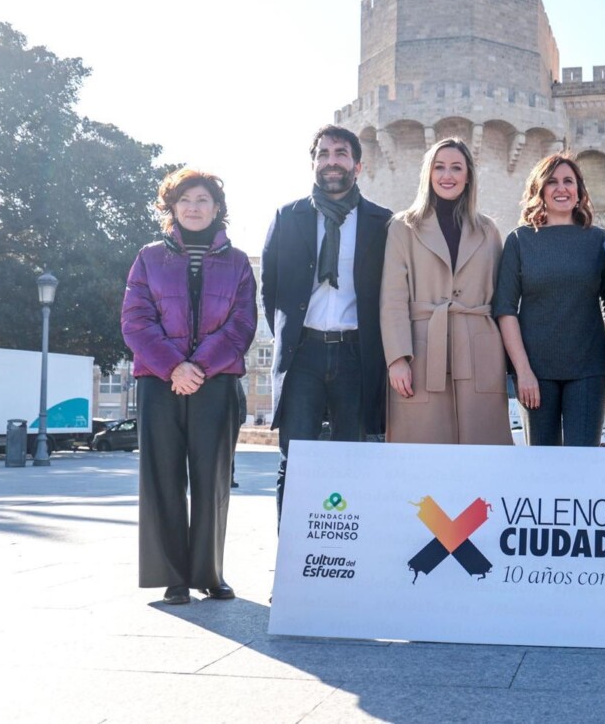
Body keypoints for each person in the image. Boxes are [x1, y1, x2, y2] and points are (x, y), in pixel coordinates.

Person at [121, 168, 256, 604]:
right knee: (162, 477)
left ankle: (209, 573)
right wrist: (174, 367)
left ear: (218, 208)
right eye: (185, 200)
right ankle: (173, 577)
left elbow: (242, 325)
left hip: (217, 381)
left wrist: (197, 366)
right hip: (160, 382)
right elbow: (135, 321)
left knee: (212, 478)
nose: (194, 207)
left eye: (203, 200)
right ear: (172, 208)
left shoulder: (237, 262)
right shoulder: (147, 257)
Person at [261, 125, 393, 523]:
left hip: (357, 355)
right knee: (296, 461)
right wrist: (291, 337)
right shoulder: (288, 217)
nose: (331, 161)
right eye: (323, 154)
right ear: (314, 163)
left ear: (358, 164)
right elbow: (271, 290)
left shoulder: (383, 222)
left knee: (352, 460)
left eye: (340, 153)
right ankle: (291, 576)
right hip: (303, 356)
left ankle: (346, 572)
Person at [381, 137, 512, 444]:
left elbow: (502, 298)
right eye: (439, 167)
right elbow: (393, 298)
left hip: (480, 351)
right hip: (421, 349)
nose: (447, 175)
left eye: (456, 167)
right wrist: (398, 358)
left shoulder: (488, 230)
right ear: (428, 174)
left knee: (483, 453)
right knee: (422, 452)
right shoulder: (403, 227)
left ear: (468, 176)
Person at [493, 154, 605, 446]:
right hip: (535, 373)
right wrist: (522, 371)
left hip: (589, 371)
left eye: (568, 181)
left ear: (579, 190)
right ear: (539, 190)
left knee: (583, 464)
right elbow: (505, 309)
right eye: (551, 182)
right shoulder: (519, 241)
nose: (561, 188)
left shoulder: (597, 240)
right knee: (541, 467)